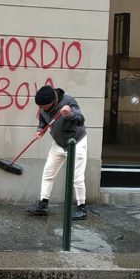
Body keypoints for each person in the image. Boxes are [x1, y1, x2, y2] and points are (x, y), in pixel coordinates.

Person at [27, 85, 88, 220]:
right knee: (48, 173)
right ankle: (43, 205)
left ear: (52, 102)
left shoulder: (68, 101)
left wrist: (70, 114)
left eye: (43, 106)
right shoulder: (43, 106)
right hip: (59, 143)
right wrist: (39, 131)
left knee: (77, 177)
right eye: (40, 106)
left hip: (76, 142)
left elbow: (80, 119)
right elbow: (43, 120)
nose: (41, 109)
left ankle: (81, 208)